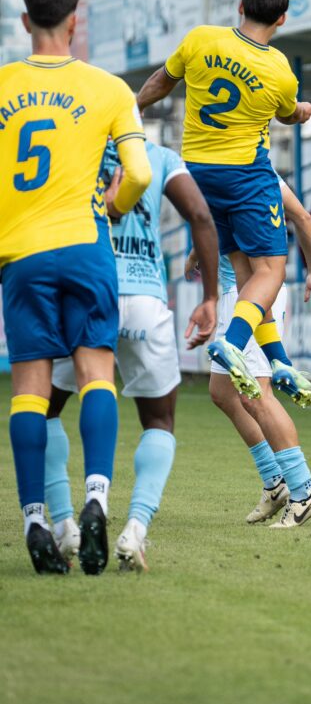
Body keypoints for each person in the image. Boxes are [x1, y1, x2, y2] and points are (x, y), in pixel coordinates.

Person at [0, 0, 154, 574]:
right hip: (86, 244)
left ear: (23, 23)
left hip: (23, 255)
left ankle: (35, 518)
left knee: (30, 391)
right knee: (95, 373)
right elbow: (137, 174)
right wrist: (110, 207)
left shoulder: (4, 85)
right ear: (73, 23)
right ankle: (96, 500)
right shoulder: (109, 88)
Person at [136, 0, 311, 404]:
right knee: (272, 272)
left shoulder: (200, 39)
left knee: (249, 274)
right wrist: (303, 111)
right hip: (246, 177)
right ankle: (233, 342)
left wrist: (132, 109)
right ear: (282, 19)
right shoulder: (279, 70)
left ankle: (279, 359)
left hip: (197, 174)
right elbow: (289, 115)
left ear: (240, 6)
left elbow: (162, 81)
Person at [42, 140, 218, 570]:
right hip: (144, 298)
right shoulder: (157, 156)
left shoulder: (73, 147)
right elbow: (199, 214)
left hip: (86, 289)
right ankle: (134, 531)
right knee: (159, 420)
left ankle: (65, 526)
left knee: (43, 407)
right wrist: (210, 295)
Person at [190, 177, 311, 528]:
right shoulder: (226, 173)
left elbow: (299, 220)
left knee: (256, 395)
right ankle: (275, 482)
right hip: (236, 292)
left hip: (253, 295)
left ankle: (303, 490)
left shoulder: (244, 174)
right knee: (222, 393)